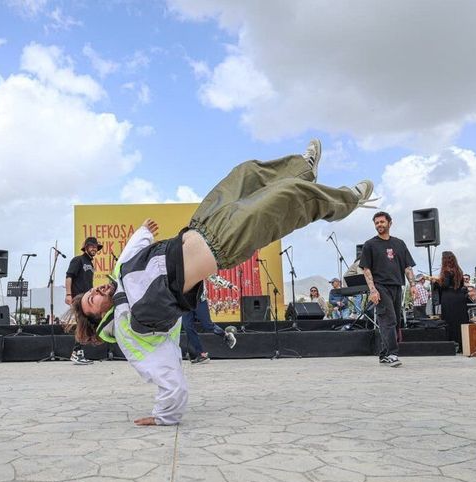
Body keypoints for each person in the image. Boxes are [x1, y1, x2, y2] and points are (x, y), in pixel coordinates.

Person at [70, 140, 375, 425]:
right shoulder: (128, 329)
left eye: (91, 291)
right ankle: (348, 200)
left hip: (201, 224)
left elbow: (130, 251)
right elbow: (163, 368)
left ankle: (304, 167)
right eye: (91, 301)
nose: (95, 292)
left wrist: (143, 232)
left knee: (246, 173)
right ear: (99, 318)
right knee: (289, 198)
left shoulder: (120, 275)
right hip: (224, 245)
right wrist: (166, 413)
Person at [361, 211, 417, 368]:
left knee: (396, 322)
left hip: (397, 286)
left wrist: (412, 285)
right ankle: (393, 353)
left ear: (390, 223)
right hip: (380, 286)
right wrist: (373, 290)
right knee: (388, 319)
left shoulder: (399, 244)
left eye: (382, 222)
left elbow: (407, 266)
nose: (379, 225)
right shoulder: (370, 244)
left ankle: (384, 354)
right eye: (376, 223)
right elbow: (366, 269)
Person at [183, 275, 237, 364]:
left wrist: (229, 285)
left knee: (207, 325)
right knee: (187, 327)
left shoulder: (198, 265)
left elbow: (212, 277)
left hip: (199, 300)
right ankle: (201, 354)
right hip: (185, 302)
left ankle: (226, 335)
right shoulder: (178, 266)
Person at [64, 237, 102, 365]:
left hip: (86, 298)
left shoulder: (90, 264)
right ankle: (76, 353)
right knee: (82, 325)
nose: (94, 249)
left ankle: (79, 353)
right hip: (78, 298)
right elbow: (69, 277)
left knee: (85, 326)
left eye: (96, 247)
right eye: (91, 246)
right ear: (85, 247)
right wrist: (68, 294)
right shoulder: (78, 260)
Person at [429, 251, 469, 351]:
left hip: (449, 298)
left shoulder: (446, 271)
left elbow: (445, 285)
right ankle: (462, 344)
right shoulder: (459, 270)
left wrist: (436, 282)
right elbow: (461, 285)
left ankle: (451, 345)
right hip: (460, 298)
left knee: (449, 322)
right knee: (460, 321)